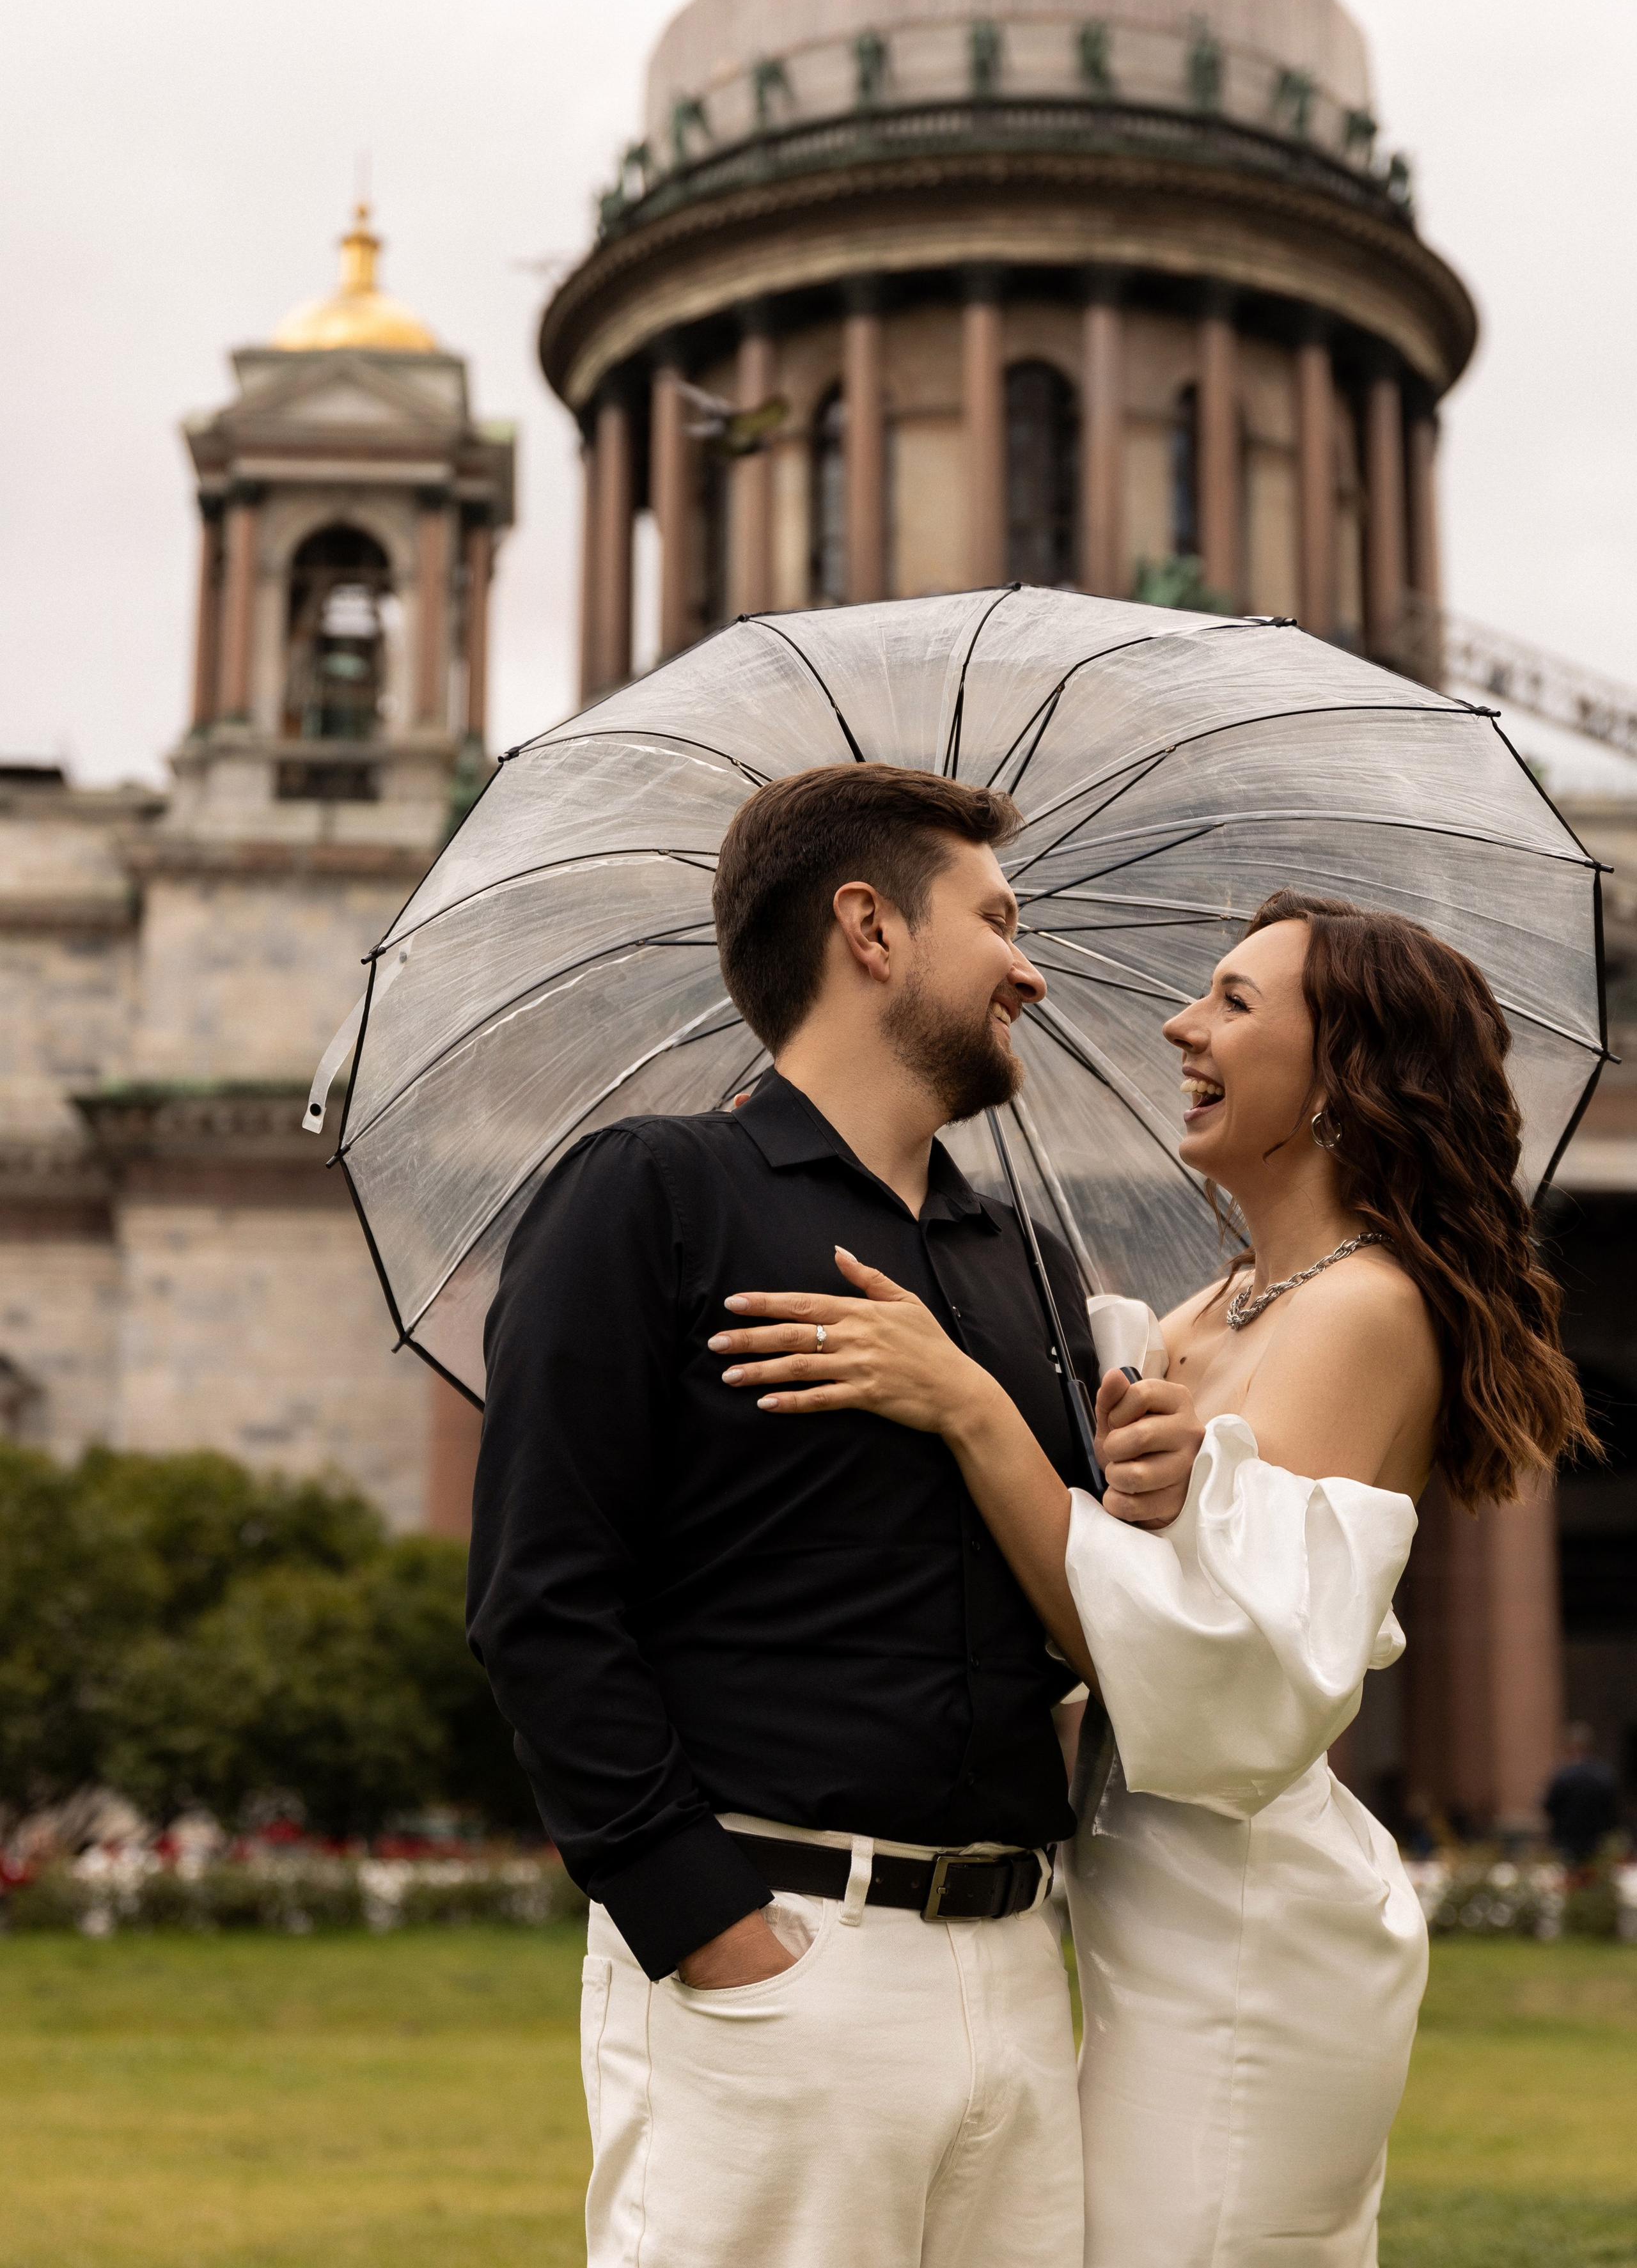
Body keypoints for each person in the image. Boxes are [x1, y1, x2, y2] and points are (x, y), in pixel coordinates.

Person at [716, 888, 1594, 2268]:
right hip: (1141, 1898)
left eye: (1234, 1003)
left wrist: (967, 1407)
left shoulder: (1365, 1309)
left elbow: (1203, 1675)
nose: (1180, 1025)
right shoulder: (1196, 1314)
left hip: (1247, 1921)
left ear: (1339, 1074)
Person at [467, 764, 1201, 2268]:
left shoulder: (1032, 1267)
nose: (1029, 965)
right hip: (777, 1955)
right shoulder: (650, 1194)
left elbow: (1095, 1623)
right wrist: (713, 1932)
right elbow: (540, 1597)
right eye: (995, 918)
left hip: (1013, 1966)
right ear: (868, 928)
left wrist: (1139, 1504)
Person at [1544, 1723, 1620, 1865]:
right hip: (1596, 1840)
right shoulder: (1603, 1774)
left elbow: (1550, 1806)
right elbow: (1612, 1809)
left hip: (1567, 1840)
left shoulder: (1564, 1775)